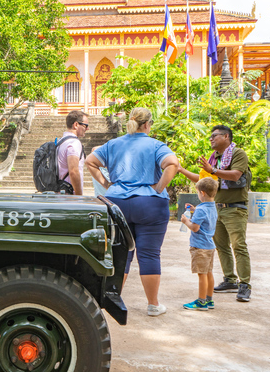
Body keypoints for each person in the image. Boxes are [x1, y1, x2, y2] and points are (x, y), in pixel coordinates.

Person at [86, 107, 179, 317]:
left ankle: (111, 300)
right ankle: (153, 305)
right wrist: (158, 188)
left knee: (120, 253)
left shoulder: (114, 144)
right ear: (147, 124)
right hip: (150, 204)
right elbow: (172, 164)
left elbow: (90, 161)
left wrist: (108, 185)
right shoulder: (156, 145)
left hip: (117, 202)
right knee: (149, 253)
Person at [179, 125, 252, 302]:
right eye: (210, 137)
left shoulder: (238, 154)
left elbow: (235, 175)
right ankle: (229, 279)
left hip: (235, 207)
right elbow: (203, 180)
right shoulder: (215, 158)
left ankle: (244, 284)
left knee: (238, 246)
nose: (211, 139)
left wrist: (213, 171)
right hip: (217, 208)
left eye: (215, 136)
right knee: (221, 246)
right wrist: (181, 170)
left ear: (226, 136)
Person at [180, 177, 218, 311]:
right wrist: (194, 209)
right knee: (209, 273)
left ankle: (201, 302)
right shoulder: (212, 207)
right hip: (210, 246)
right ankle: (209, 299)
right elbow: (204, 216)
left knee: (201, 274)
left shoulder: (201, 210)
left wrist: (185, 221)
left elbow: (194, 227)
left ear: (202, 193)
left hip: (200, 247)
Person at [57, 110, 88, 195]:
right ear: (76, 125)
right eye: (85, 126)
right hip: (69, 195)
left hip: (59, 191)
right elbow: (73, 171)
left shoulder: (60, 142)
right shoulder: (74, 143)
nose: (87, 129)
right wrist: (78, 195)